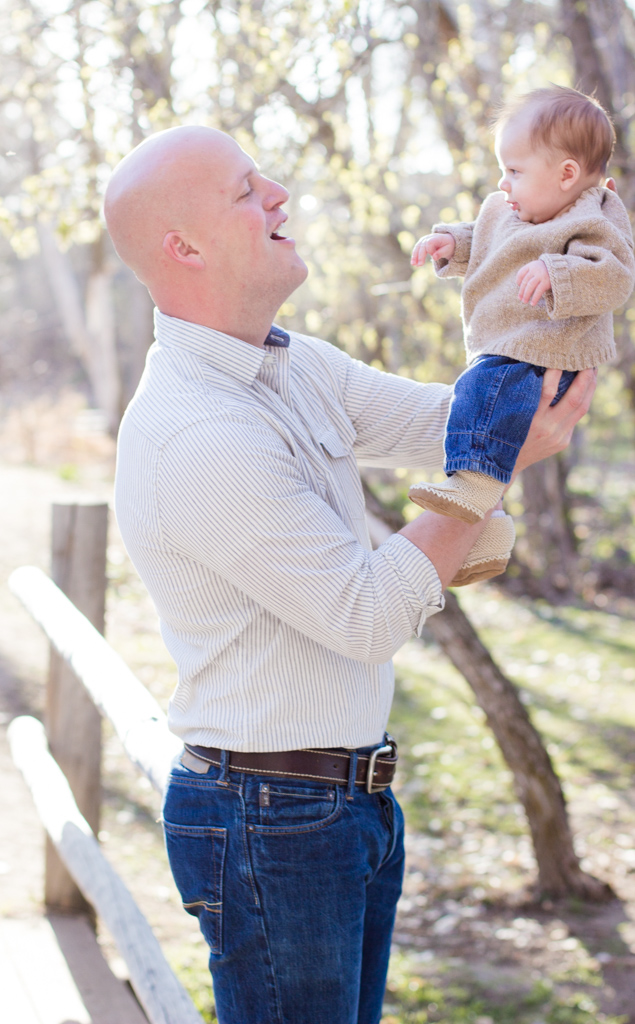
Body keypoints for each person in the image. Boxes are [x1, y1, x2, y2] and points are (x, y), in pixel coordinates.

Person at [104, 124, 596, 1024]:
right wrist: (484, 475)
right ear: (185, 248)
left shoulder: (293, 366)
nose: (279, 193)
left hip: (341, 805)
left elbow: (449, 426)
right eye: (246, 190)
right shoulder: (198, 432)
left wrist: (563, 283)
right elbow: (365, 614)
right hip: (270, 818)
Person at [409, 86, 634, 537]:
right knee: (479, 405)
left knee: (479, 394)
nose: (502, 183)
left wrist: (558, 272)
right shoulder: (515, 209)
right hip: (513, 350)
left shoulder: (593, 218)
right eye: (502, 170)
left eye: (514, 171)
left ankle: (472, 488)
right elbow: (493, 239)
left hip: (547, 353)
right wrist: (454, 243)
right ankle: (487, 533)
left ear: (566, 174)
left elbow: (614, 277)